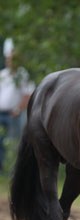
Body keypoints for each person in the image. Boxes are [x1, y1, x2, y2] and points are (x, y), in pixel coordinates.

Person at [0, 44, 35, 173]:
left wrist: (18, 109)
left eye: (11, 59)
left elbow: (28, 94)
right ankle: (2, 169)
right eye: (8, 59)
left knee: (14, 142)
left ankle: (13, 170)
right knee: (1, 142)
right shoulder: (3, 74)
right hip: (1, 113)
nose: (9, 62)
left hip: (14, 113)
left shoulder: (22, 74)